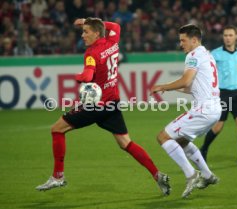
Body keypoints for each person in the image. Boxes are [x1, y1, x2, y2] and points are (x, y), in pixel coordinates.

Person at [36, 17, 171, 195]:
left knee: (57, 129)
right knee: (126, 143)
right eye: (82, 31)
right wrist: (88, 21)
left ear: (97, 33)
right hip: (112, 102)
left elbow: (86, 76)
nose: (82, 35)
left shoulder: (91, 53)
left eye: (86, 31)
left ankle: (58, 176)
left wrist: (77, 76)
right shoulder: (112, 41)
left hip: (95, 106)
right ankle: (157, 174)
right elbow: (115, 25)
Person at [150, 24, 221, 198]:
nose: (181, 44)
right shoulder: (207, 55)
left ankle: (191, 174)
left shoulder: (193, 55)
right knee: (180, 140)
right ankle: (207, 175)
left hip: (203, 109)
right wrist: (171, 89)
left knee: (163, 137)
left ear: (194, 40)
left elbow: (186, 80)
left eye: (183, 40)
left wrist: (163, 86)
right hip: (214, 109)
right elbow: (192, 87)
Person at [200, 25, 237, 165]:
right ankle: (203, 149)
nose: (228, 38)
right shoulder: (215, 54)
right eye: (225, 35)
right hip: (222, 94)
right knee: (218, 126)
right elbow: (206, 72)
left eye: (230, 35)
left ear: (236, 36)